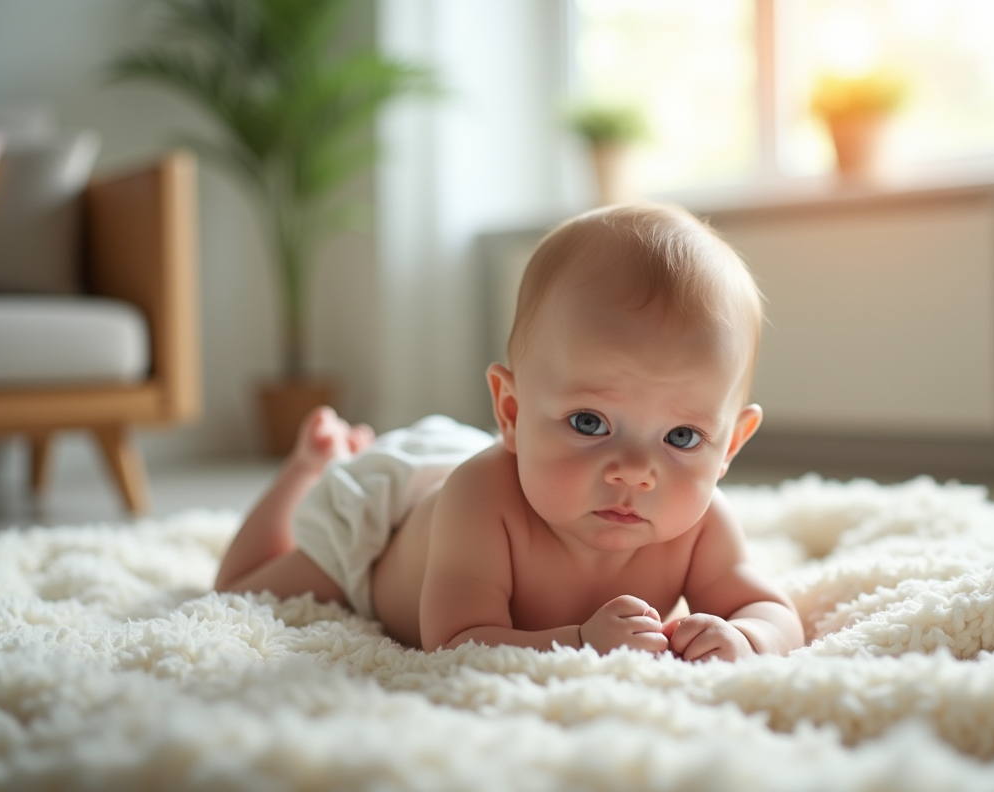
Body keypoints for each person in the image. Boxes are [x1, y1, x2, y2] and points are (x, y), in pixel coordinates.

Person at [215, 203, 805, 662]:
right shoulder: (479, 502)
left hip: (509, 466)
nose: (634, 471)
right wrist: (581, 641)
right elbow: (456, 642)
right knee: (240, 592)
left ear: (729, 446)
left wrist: (748, 638)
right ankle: (306, 467)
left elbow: (771, 611)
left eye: (681, 438)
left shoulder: (703, 525)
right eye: (590, 423)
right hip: (387, 525)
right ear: (513, 412)